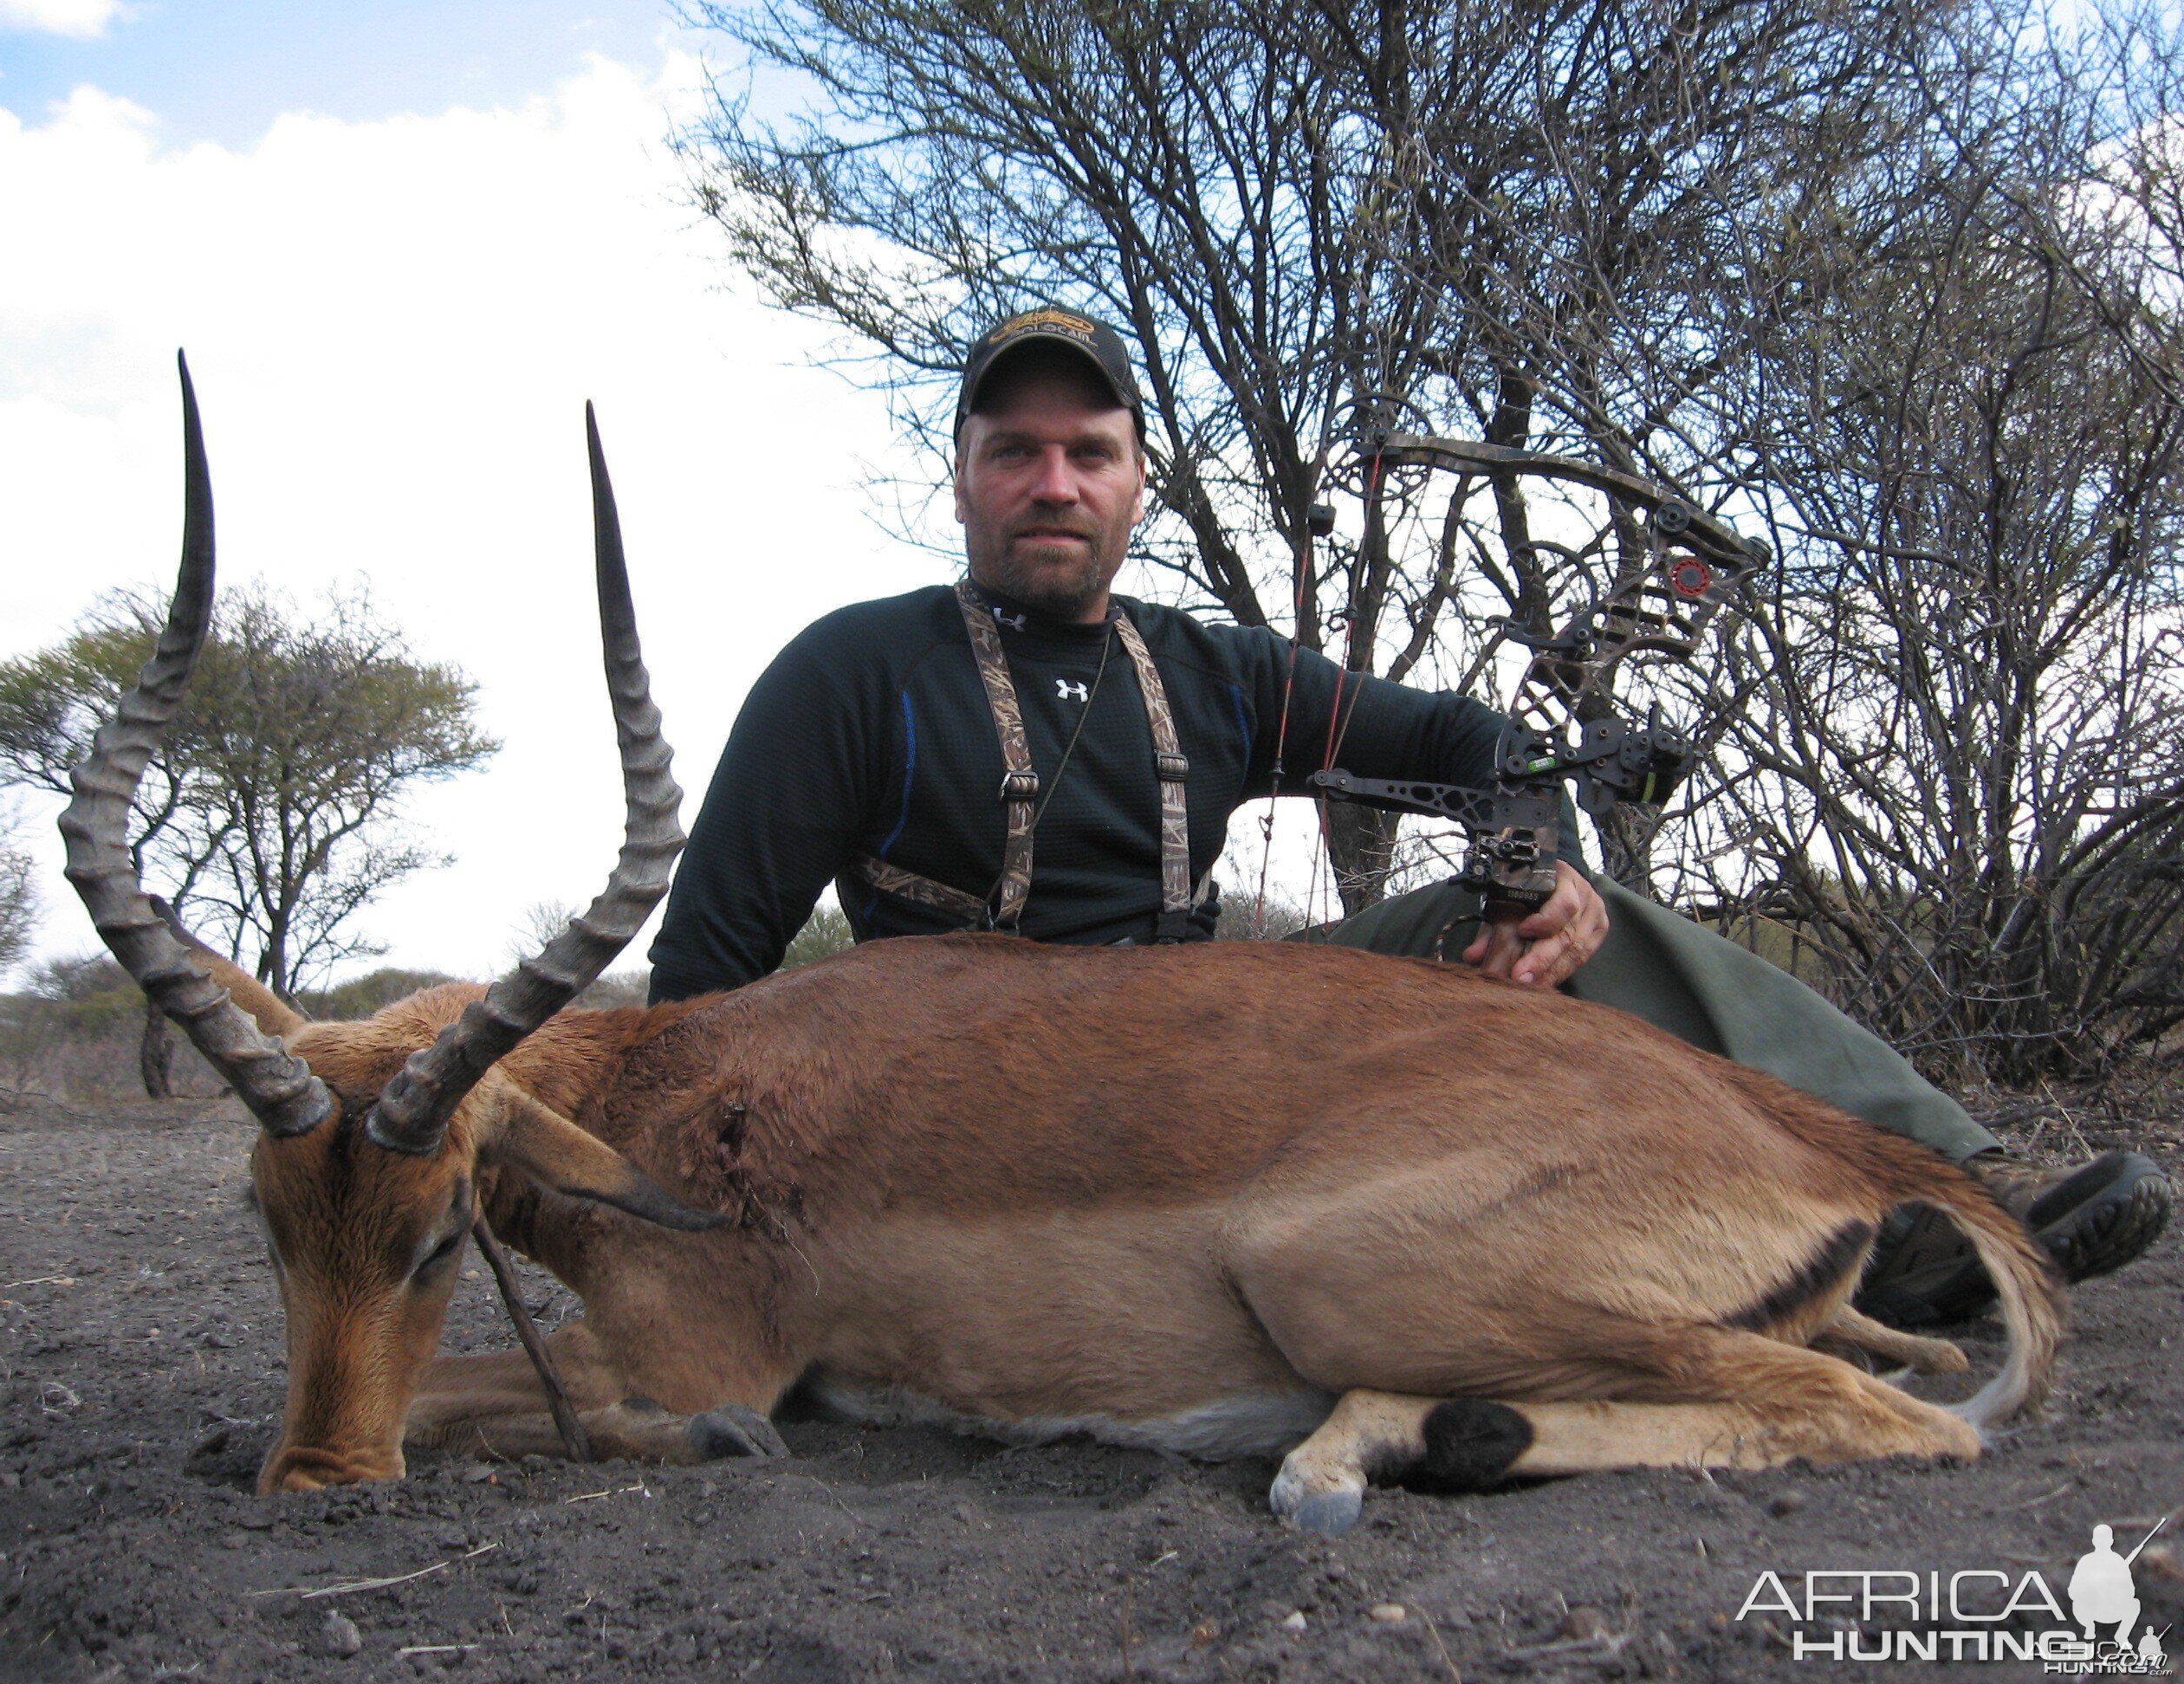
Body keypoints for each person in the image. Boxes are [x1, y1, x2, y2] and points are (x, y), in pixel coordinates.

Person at [647, 307, 2170, 1325]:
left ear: (1136, 485)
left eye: (1087, 453)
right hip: (961, 1117)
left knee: (1581, 926)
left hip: (1206, 1059)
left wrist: (1537, 863)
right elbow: (701, 981)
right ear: (964, 482)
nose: (1053, 482)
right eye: (1015, 454)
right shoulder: (851, 673)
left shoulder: (1214, 673)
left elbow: (1465, 738)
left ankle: (1950, 1201)